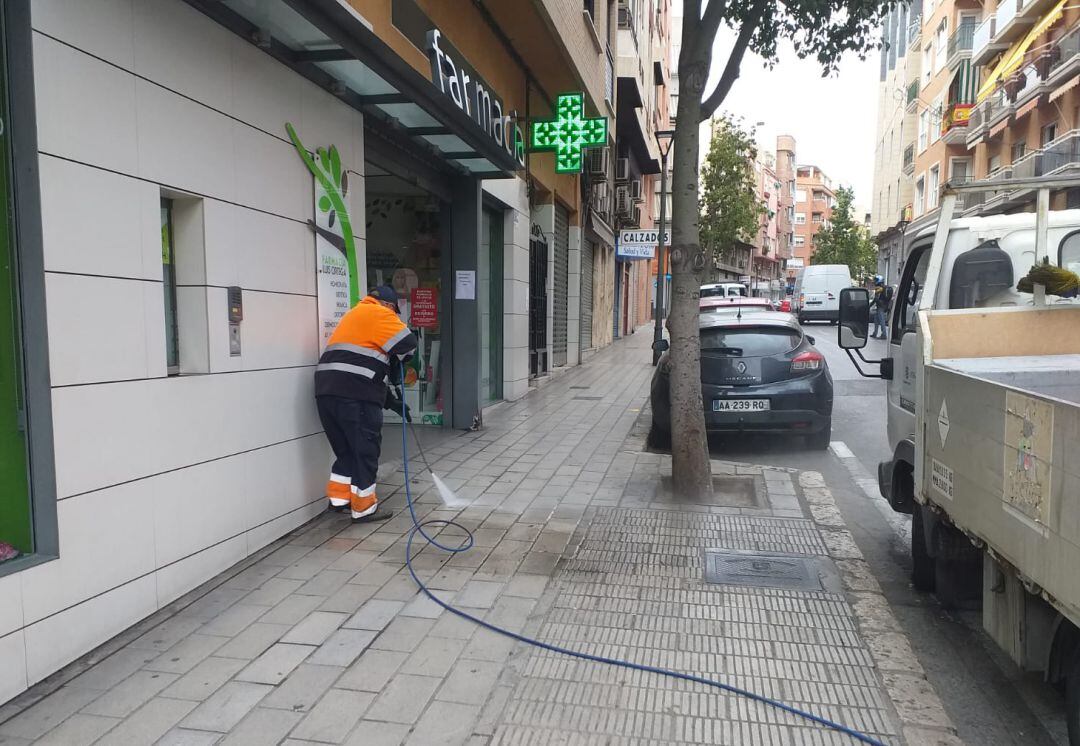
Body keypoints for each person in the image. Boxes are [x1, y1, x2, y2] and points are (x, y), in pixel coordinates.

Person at [315, 286, 417, 522]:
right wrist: (399, 359)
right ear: (390, 306)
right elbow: (408, 343)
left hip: (326, 393)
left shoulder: (354, 315)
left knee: (346, 450)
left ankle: (339, 500)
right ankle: (363, 508)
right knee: (365, 450)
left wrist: (391, 402)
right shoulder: (380, 313)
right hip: (354, 394)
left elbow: (360, 367)